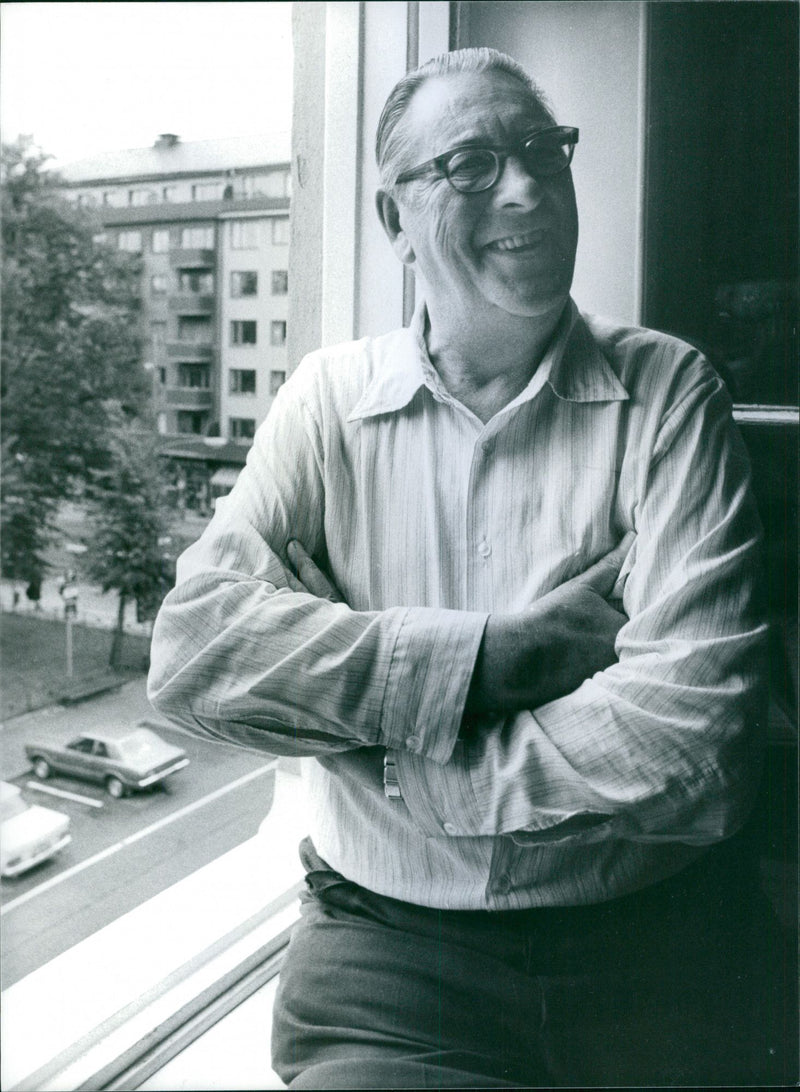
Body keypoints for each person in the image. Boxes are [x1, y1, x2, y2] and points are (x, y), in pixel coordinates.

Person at [148, 48, 792, 1088]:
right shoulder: (324, 403)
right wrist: (500, 658)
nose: (528, 189)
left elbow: (697, 742)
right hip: (389, 971)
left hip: (665, 959)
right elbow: (195, 656)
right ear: (391, 222)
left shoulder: (668, 391)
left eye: (543, 151)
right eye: (471, 164)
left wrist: (405, 755)